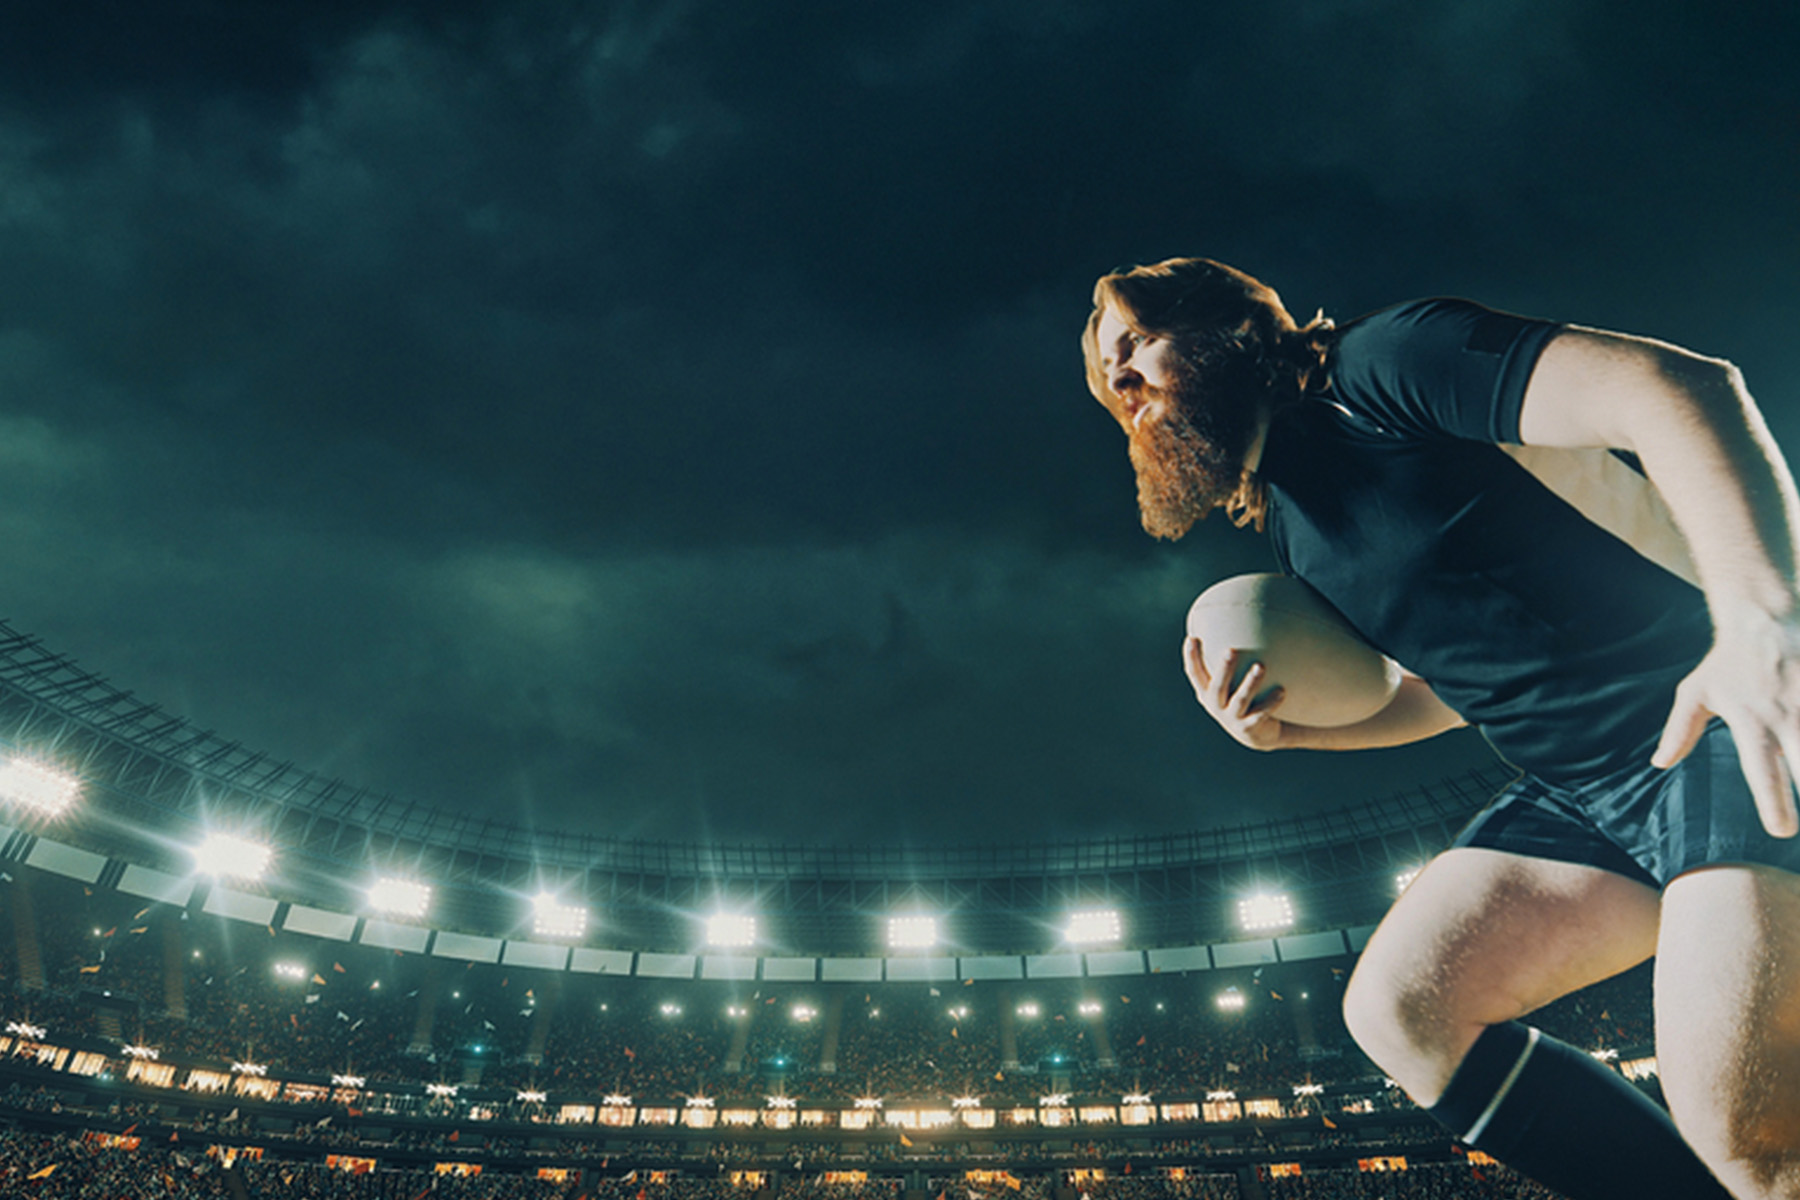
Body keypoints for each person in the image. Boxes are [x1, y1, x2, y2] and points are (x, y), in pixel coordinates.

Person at [1081, 257, 1800, 1200]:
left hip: (1716, 715)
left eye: (1136, 343)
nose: (1123, 381)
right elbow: (1455, 685)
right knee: (1405, 1009)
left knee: (1749, 1137)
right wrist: (1295, 739)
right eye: (1106, 377)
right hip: (1587, 787)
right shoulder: (1296, 524)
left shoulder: (1388, 362)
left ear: (1232, 328)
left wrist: (1763, 615)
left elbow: (1680, 387)